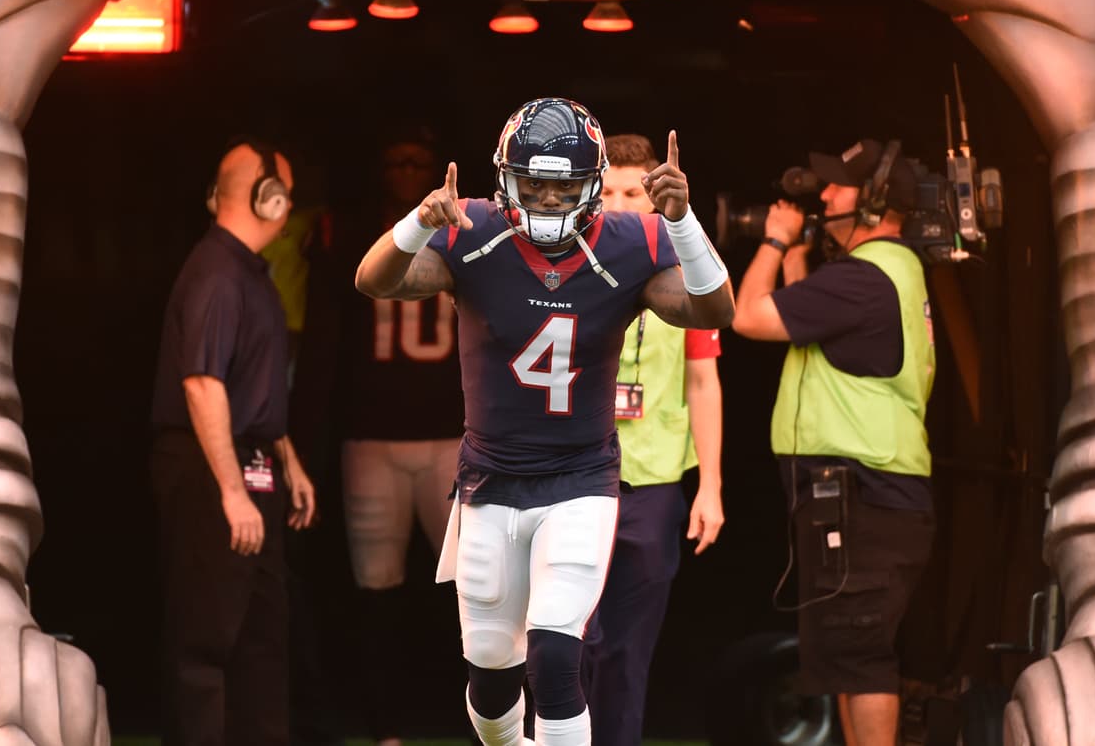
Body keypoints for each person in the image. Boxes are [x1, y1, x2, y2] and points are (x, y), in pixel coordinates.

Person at [355, 98, 735, 746]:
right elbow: (375, 281)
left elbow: (714, 310)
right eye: (534, 185)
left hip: (580, 479)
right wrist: (419, 222)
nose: (550, 199)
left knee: (557, 656)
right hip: (490, 480)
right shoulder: (473, 229)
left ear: (592, 186)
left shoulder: (631, 239)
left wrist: (682, 221)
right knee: (490, 678)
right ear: (506, 180)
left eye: (564, 186)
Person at [731, 138, 935, 746]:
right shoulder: (885, 272)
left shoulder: (862, 278)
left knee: (862, 657)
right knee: (846, 658)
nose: (823, 196)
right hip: (870, 492)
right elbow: (806, 323)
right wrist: (798, 259)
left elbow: (748, 316)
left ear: (873, 202)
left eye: (838, 186)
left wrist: (773, 242)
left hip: (867, 493)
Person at [151, 138, 317, 746]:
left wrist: (286, 458)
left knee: (259, 634)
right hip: (212, 469)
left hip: (250, 461)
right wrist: (230, 489)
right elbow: (202, 384)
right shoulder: (217, 273)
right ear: (267, 197)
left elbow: (252, 385)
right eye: (286, 193)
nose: (289, 205)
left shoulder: (248, 271)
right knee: (208, 636)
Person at [580, 133, 725, 746]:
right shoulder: (567, 265)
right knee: (567, 643)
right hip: (576, 481)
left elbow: (703, 380)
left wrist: (710, 486)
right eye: (607, 192)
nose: (617, 204)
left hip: (655, 483)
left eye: (631, 193)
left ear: (653, 198)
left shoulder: (686, 268)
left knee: (628, 653)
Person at [342, 131, 465, 746]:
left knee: (472, 590)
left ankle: (479, 721)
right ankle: (385, 728)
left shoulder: (465, 233)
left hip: (448, 440)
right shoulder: (352, 237)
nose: (409, 171)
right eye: (398, 161)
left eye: (419, 162)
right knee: (377, 590)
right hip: (373, 438)